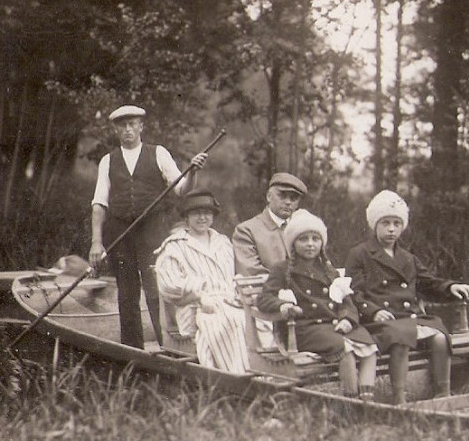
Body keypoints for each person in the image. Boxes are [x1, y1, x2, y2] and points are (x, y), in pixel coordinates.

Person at [88, 104, 208, 349]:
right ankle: (133, 351)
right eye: (122, 125)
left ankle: (170, 347)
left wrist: (193, 172)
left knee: (158, 290)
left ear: (141, 126)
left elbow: (182, 189)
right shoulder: (108, 161)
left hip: (153, 232)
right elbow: (99, 204)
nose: (128, 129)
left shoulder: (158, 153)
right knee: (127, 294)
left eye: (132, 124)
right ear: (116, 130)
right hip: (120, 234)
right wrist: (96, 242)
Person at [345, 190, 469, 405]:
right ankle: (400, 399)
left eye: (396, 224)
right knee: (401, 337)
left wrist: (451, 287)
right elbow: (353, 294)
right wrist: (374, 311)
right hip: (378, 321)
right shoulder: (360, 254)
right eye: (385, 223)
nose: (391, 229)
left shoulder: (408, 257)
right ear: (374, 225)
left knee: (440, 337)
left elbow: (428, 283)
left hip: (407, 317)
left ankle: (443, 395)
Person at [257, 209, 378, 399]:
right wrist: (284, 306)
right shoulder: (282, 269)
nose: (310, 244)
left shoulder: (328, 270)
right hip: (303, 328)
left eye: (315, 239)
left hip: (332, 325)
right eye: (303, 239)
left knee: (369, 346)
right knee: (344, 348)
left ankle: (367, 399)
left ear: (322, 243)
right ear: (292, 244)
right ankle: (351, 401)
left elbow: (347, 301)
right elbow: (264, 299)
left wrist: (347, 319)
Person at [154, 189, 250, 374]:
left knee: (257, 319)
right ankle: (235, 375)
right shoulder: (175, 245)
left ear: (213, 215)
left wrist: (238, 294)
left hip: (227, 300)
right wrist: (198, 293)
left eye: (207, 213)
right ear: (187, 217)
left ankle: (259, 373)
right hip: (192, 306)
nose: (202, 217)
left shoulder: (223, 242)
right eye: (196, 213)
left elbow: (234, 276)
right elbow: (168, 286)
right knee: (230, 319)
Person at [232, 172, 309, 276]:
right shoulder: (246, 231)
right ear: (269, 196)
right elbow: (251, 273)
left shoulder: (303, 228)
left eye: (293, 198)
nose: (288, 202)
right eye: (282, 196)